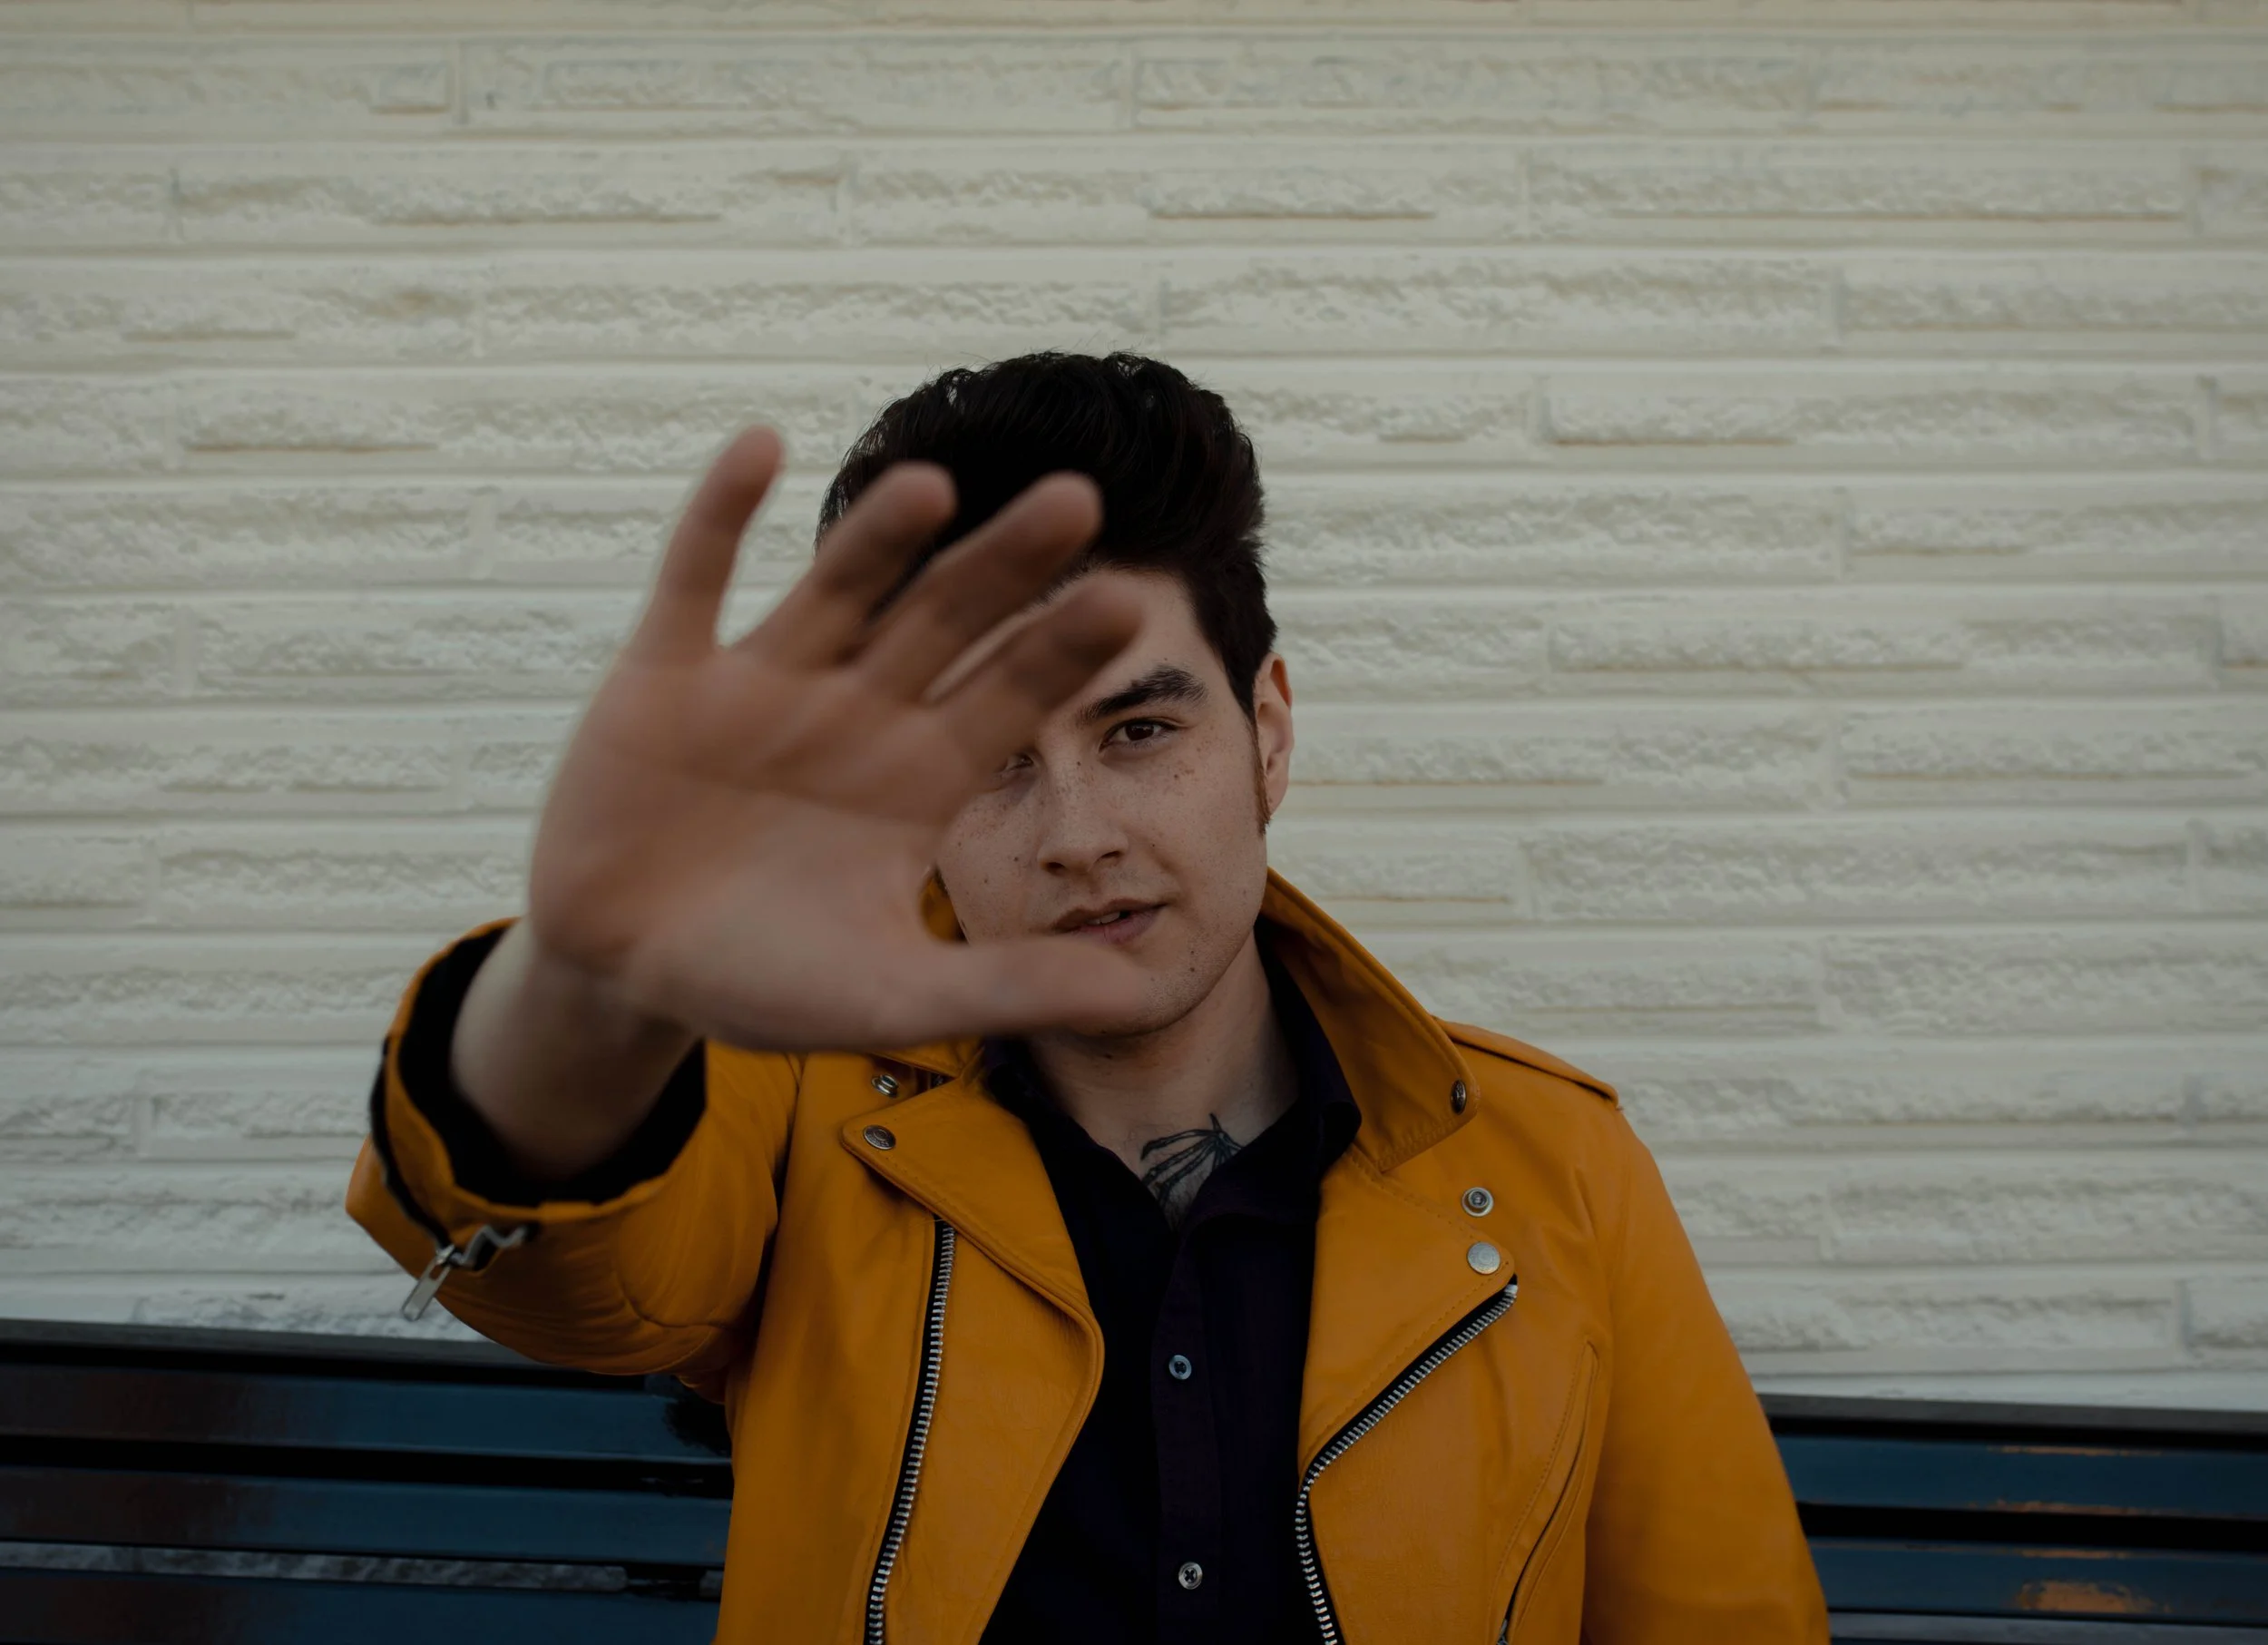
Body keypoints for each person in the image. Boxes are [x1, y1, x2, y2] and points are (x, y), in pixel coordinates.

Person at [345, 351, 1828, 1644]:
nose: (1075, 834)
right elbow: (566, 1268)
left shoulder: (1557, 1172)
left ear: (1267, 732)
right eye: (989, 758)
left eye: (1138, 730)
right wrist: (592, 972)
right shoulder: (808, 1128)